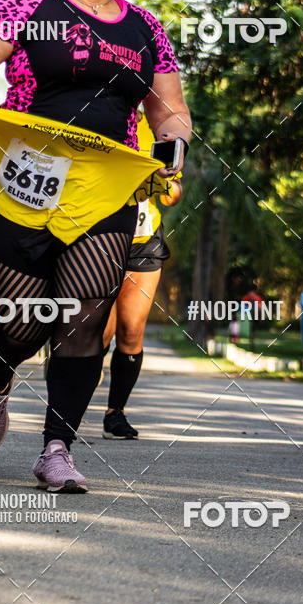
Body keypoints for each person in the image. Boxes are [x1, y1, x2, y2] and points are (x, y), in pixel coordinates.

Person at [0, 0, 191, 492]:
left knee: (84, 318)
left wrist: (173, 145)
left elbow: (169, 111)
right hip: (24, 178)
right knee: (26, 322)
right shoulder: (28, 6)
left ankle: (57, 449)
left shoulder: (145, 28)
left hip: (105, 188)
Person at [101, 112, 181, 439]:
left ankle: (115, 414)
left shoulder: (159, 126)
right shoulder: (92, 111)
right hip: (99, 234)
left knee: (131, 331)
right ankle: (65, 413)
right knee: (95, 334)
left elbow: (173, 192)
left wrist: (167, 184)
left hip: (143, 237)